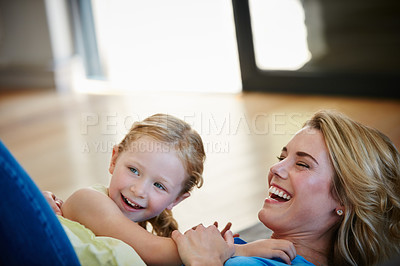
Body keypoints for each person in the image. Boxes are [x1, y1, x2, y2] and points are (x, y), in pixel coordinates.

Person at [171, 110, 400, 266]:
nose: (275, 168)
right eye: (282, 157)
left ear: (346, 200)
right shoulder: (243, 249)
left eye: (302, 164)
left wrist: (204, 260)